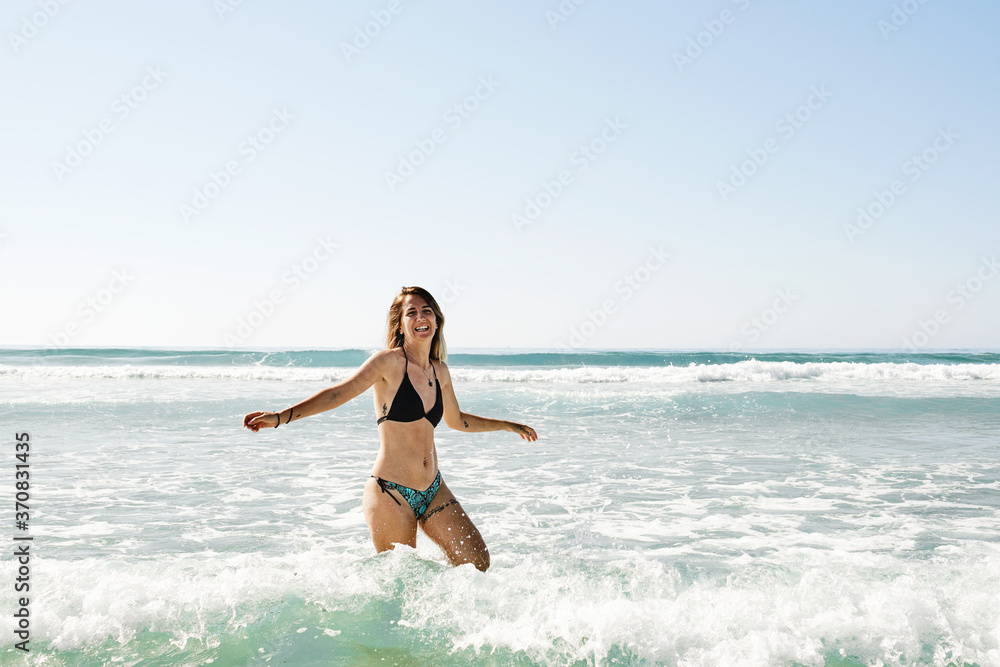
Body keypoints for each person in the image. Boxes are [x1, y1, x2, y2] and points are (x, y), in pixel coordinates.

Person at [242, 286, 537, 572]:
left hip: (434, 489)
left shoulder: (440, 370)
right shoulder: (388, 363)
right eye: (412, 312)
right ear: (400, 324)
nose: (421, 317)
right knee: (400, 579)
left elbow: (456, 420)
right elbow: (337, 394)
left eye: (427, 311)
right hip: (390, 491)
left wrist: (506, 425)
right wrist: (281, 416)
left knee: (477, 563)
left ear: (437, 320)